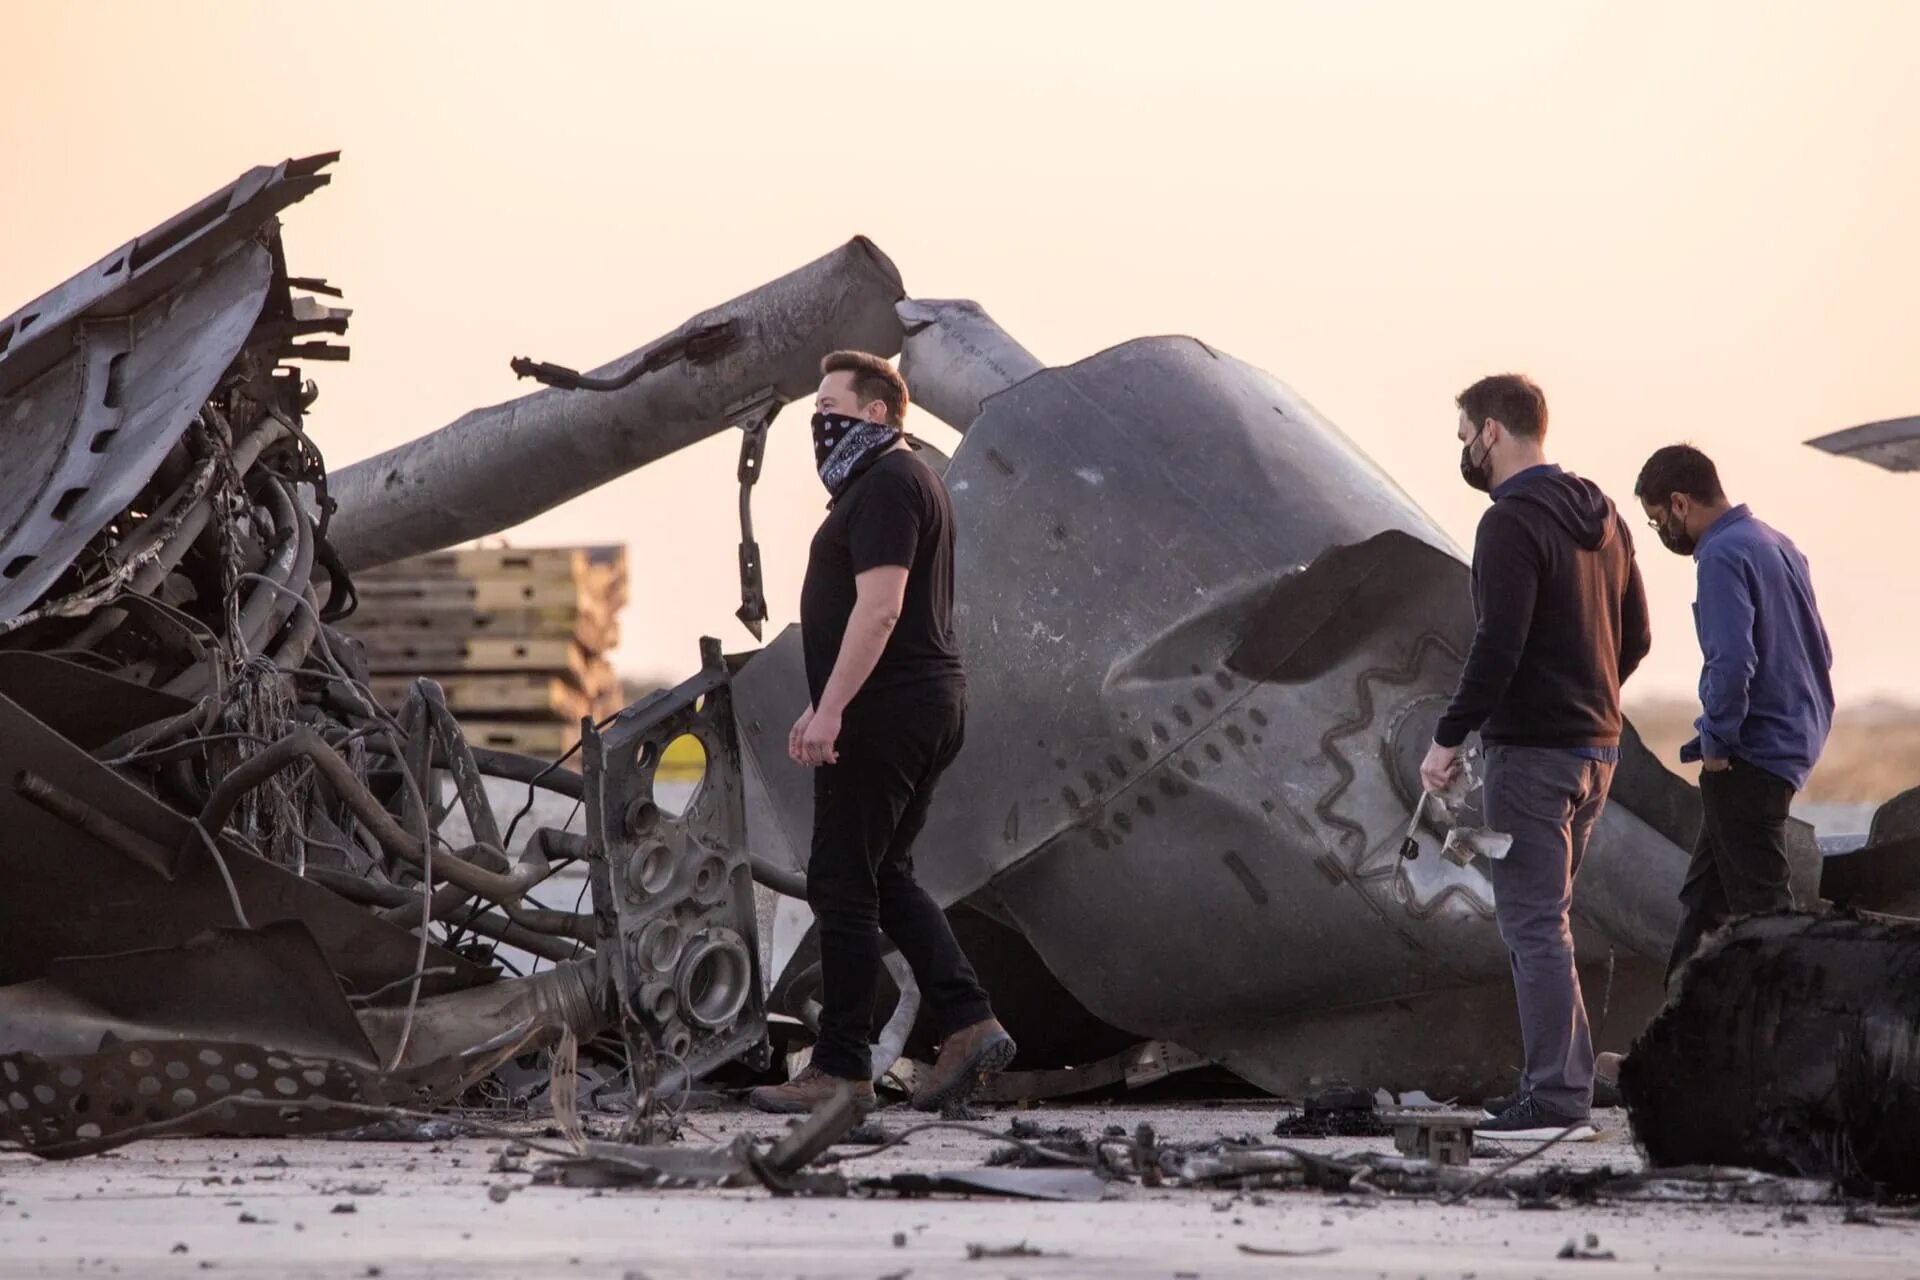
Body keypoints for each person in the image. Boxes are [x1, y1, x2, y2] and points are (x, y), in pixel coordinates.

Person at [749, 350, 1013, 1117]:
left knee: (841, 882)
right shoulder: (896, 480)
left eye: (830, 405)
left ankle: (841, 1069)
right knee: (885, 874)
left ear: (875, 413)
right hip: (919, 703)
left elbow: (882, 607)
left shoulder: (892, 482)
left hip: (884, 708)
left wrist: (829, 708)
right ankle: (968, 1020)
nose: (818, 421)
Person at [1419, 374, 1651, 1140]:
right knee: (1546, 921)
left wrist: (1449, 737)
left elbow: (1499, 644)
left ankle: (1555, 1098)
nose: (1463, 453)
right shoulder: (1606, 517)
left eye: (1463, 438)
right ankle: (1560, 1082)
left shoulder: (1509, 523)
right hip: (1597, 750)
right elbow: (1637, 637)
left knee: (1531, 925)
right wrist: (1589, 693)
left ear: (1491, 431)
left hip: (1533, 757)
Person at [1634, 444, 1833, 980]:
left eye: (1657, 521)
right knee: (1704, 908)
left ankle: (1791, 1046)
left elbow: (1732, 661)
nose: (1663, 535)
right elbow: (1819, 651)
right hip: (1789, 743)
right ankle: (1672, 1048)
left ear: (1680, 503)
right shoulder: (1777, 544)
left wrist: (1718, 744)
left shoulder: (1722, 555)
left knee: (1766, 924)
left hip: (1749, 756)